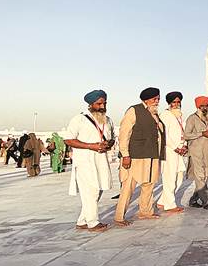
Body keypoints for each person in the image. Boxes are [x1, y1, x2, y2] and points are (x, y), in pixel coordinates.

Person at [64, 89, 114, 232]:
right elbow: (68, 139)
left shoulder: (108, 120)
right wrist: (91, 146)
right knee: (90, 191)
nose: (102, 106)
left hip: (101, 160)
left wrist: (108, 144)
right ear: (91, 104)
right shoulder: (79, 119)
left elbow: (111, 138)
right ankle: (92, 222)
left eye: (104, 103)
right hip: (85, 161)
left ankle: (82, 221)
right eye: (99, 104)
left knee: (98, 190)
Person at [115, 87, 166, 225]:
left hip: (152, 154)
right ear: (146, 99)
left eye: (158, 99)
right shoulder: (134, 110)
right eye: (155, 99)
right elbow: (124, 133)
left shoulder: (154, 113)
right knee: (128, 186)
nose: (157, 101)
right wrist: (125, 154)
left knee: (149, 183)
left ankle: (145, 211)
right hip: (135, 155)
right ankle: (119, 217)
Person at [184, 96, 208, 210]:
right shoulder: (192, 118)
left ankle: (193, 200)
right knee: (200, 177)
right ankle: (206, 202)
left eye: (206, 106)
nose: (204, 108)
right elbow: (186, 135)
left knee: (205, 176)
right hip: (196, 152)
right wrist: (201, 133)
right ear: (198, 107)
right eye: (202, 106)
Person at [157, 91, 187, 214]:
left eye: (178, 102)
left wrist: (184, 145)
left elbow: (182, 132)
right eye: (174, 102)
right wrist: (175, 147)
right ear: (169, 103)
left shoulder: (179, 115)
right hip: (169, 151)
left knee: (179, 176)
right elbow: (164, 135)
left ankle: (162, 201)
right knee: (169, 178)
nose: (176, 104)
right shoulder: (165, 115)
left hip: (179, 151)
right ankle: (170, 205)